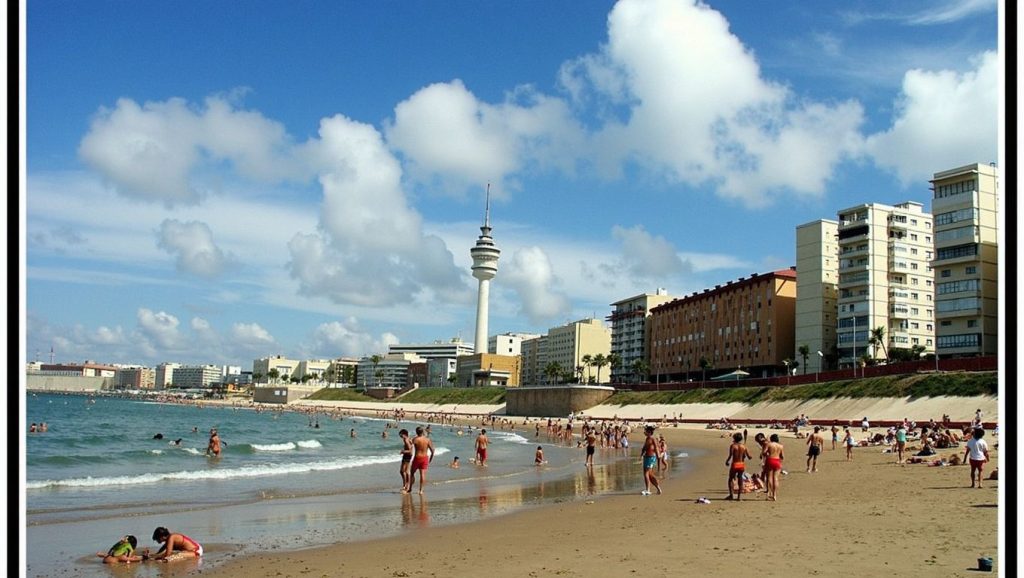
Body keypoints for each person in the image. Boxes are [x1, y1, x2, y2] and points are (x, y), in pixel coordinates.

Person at [725, 432, 752, 500]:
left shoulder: (733, 446)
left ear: (734, 438)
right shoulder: (743, 446)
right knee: (740, 480)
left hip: (735, 464)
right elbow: (750, 457)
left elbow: (730, 455)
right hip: (741, 464)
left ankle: (731, 495)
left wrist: (727, 461)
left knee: (730, 479)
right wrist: (744, 455)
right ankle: (739, 497)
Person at [409, 426, 435, 495]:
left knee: (412, 473)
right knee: (422, 474)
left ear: (416, 432)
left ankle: (410, 488)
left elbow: (410, 444)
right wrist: (431, 458)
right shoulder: (427, 439)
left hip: (417, 458)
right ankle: (421, 490)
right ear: (423, 432)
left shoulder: (415, 439)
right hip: (425, 458)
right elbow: (433, 450)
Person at [640, 425, 662, 496]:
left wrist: (658, 455)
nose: (644, 432)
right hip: (646, 457)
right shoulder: (647, 438)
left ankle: (648, 490)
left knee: (646, 473)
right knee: (649, 474)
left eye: (645, 431)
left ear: (649, 432)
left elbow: (656, 447)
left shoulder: (652, 439)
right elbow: (644, 448)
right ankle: (658, 488)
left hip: (650, 457)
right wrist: (641, 455)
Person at [764, 434, 784, 501]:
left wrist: (767, 454)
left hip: (770, 459)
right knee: (775, 478)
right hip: (777, 461)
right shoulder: (781, 446)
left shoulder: (769, 444)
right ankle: (774, 495)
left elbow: (764, 452)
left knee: (769, 477)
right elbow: (782, 456)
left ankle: (770, 493)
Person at [399, 428, 413, 493]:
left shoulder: (406, 440)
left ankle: (405, 485)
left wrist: (403, 451)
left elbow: (410, 450)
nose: (400, 436)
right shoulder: (408, 439)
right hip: (408, 456)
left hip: (407, 456)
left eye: (401, 435)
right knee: (404, 471)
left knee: (403, 471)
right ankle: (406, 485)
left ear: (404, 434)